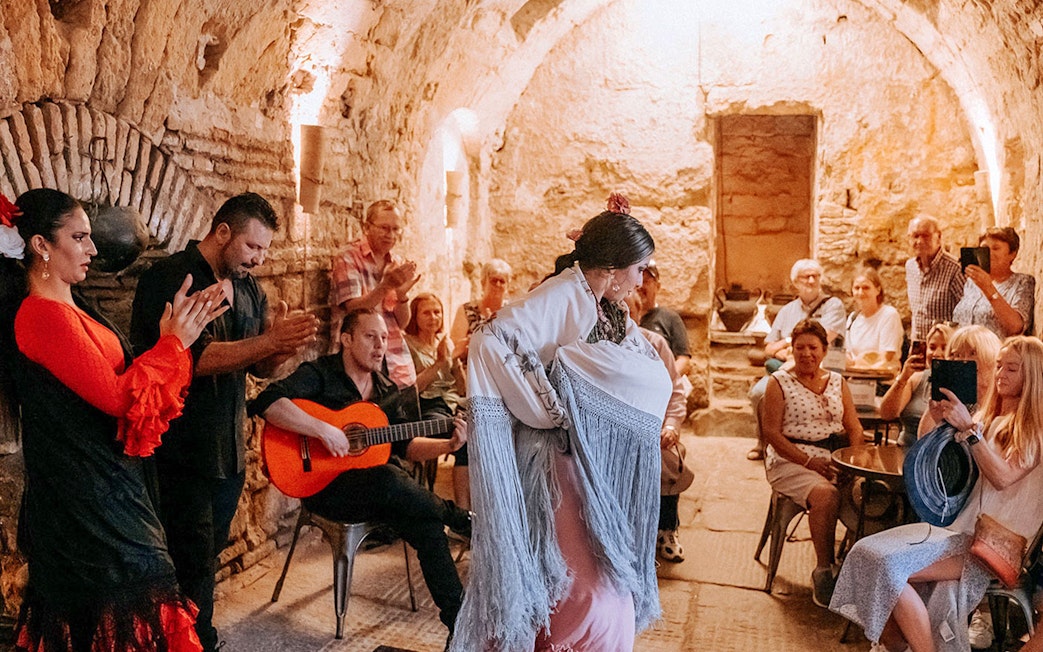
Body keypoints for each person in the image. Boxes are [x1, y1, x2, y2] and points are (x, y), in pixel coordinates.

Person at [0, 189, 227, 651]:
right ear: (41, 245)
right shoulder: (40, 315)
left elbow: (130, 387)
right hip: (84, 501)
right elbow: (119, 399)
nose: (93, 249)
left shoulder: (74, 306)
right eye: (80, 237)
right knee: (129, 605)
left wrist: (171, 340)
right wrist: (174, 345)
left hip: (111, 486)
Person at [450, 193, 672, 652]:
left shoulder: (604, 303)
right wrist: (550, 405)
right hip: (554, 462)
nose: (641, 279)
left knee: (592, 571)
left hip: (578, 456)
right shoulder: (563, 292)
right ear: (612, 267)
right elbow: (491, 341)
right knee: (577, 579)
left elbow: (626, 361)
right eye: (639, 268)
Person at [130, 192, 319, 652]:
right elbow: (193, 358)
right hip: (181, 450)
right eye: (253, 248)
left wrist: (279, 351)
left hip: (228, 453)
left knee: (203, 561)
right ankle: (196, 641)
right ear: (222, 232)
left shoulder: (249, 288)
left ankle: (183, 636)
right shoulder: (174, 278)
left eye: (264, 251)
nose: (258, 259)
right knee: (187, 566)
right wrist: (267, 342)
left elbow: (257, 369)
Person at [248, 308, 470, 649]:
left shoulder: (386, 388)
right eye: (370, 337)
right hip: (325, 487)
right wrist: (321, 430)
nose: (380, 345)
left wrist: (449, 444)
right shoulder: (320, 374)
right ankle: (460, 518)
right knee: (386, 476)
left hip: (381, 493)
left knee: (425, 523)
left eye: (383, 338)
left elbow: (406, 446)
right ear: (347, 339)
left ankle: (461, 628)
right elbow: (266, 401)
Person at [830, 335, 1043, 652]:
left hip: (995, 543)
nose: (1000, 374)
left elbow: (1001, 477)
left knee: (889, 570)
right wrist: (937, 416)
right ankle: (899, 644)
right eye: (998, 366)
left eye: (1011, 369)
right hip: (959, 530)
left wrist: (970, 432)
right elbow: (928, 451)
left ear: (1033, 376)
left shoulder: (1032, 430)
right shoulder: (990, 417)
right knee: (864, 553)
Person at [760, 319, 864, 608]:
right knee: (825, 494)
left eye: (813, 347)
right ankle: (824, 570)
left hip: (834, 459)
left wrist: (851, 464)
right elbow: (771, 433)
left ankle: (856, 567)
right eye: (800, 347)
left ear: (825, 350)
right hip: (789, 459)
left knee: (869, 494)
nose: (806, 354)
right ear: (791, 350)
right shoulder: (779, 382)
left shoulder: (837, 382)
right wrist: (808, 461)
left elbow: (854, 427)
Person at [747, 258, 846, 460]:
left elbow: (824, 337)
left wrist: (791, 344)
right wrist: (784, 349)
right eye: (806, 277)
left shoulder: (833, 306)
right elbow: (769, 347)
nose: (811, 280)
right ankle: (763, 442)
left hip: (819, 370)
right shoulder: (787, 311)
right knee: (758, 392)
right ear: (795, 282)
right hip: (787, 370)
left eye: (815, 276)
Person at [624, 292, 688, 563]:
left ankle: (664, 530)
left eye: (629, 313)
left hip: (652, 430)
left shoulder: (655, 344)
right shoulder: (598, 345)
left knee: (666, 461)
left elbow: (675, 392)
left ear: (639, 316)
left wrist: (671, 426)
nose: (623, 319)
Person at [330, 199, 420, 387]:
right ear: (367, 227)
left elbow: (402, 323)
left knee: (408, 416)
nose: (391, 235)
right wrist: (386, 286)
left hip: (396, 362)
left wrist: (402, 296)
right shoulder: (348, 257)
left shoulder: (397, 262)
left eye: (396, 229)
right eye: (385, 228)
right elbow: (353, 310)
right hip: (359, 363)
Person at [404, 292, 469, 508]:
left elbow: (461, 388)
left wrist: (457, 362)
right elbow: (412, 390)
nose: (434, 317)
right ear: (415, 316)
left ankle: (470, 509)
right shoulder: (407, 345)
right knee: (463, 437)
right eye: (426, 313)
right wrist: (440, 363)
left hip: (452, 404)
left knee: (481, 429)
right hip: (427, 405)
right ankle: (461, 511)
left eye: (437, 312)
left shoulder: (445, 341)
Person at [916, 325, 1002, 437]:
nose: (963, 360)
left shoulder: (1003, 401)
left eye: (972, 353)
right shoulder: (957, 401)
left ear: (992, 357)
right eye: (956, 355)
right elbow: (924, 440)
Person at [952, 226, 1035, 339]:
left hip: (997, 354)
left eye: (996, 248)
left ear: (1012, 254)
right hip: (965, 354)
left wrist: (988, 288)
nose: (989, 253)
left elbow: (1016, 327)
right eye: (985, 248)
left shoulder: (1022, 282)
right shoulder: (971, 283)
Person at [878, 323, 954, 446]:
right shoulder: (915, 379)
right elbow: (887, 414)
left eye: (944, 347)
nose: (936, 353)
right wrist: (903, 378)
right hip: (904, 450)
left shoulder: (959, 385)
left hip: (937, 455)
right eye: (932, 347)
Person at [905, 215, 965, 341]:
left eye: (926, 236)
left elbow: (968, 316)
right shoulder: (910, 267)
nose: (920, 241)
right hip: (919, 348)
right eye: (915, 236)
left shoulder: (955, 269)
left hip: (945, 350)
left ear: (938, 237)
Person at [449, 258, 512, 362]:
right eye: (493, 280)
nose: (498, 285)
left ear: (507, 286)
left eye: (502, 281)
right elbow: (454, 346)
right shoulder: (466, 310)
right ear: (483, 283)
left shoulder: (511, 312)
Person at [636, 261, 691, 377]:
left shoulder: (670, 317)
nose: (640, 286)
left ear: (657, 286)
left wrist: (665, 380)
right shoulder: (622, 317)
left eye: (646, 281)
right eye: (637, 281)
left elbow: (684, 360)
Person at [845, 266, 904, 368]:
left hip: (881, 380)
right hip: (856, 378)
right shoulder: (852, 318)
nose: (860, 293)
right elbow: (848, 355)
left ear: (878, 290)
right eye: (856, 288)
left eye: (866, 288)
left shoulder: (889, 315)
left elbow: (886, 357)